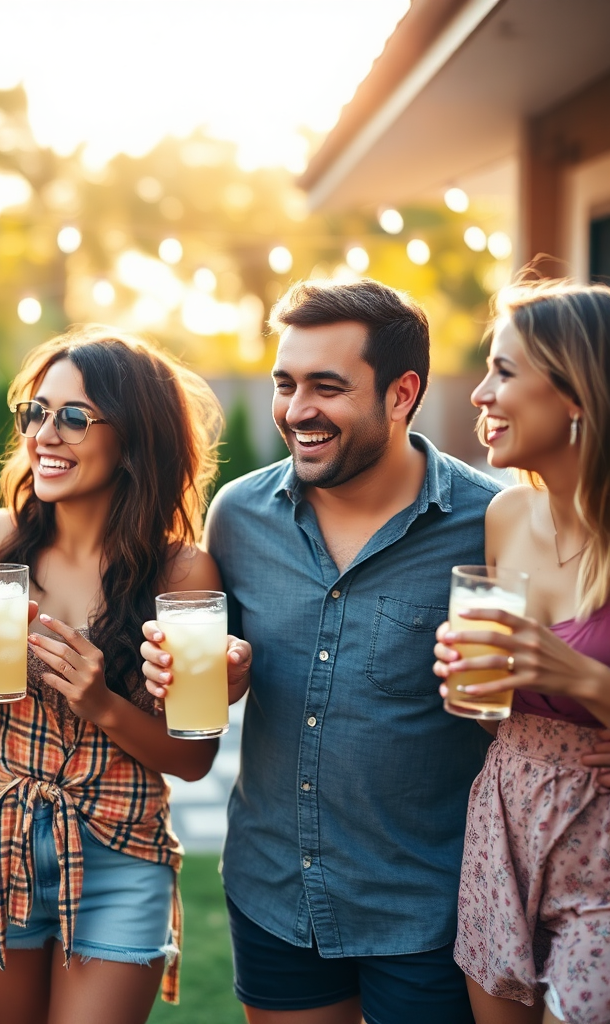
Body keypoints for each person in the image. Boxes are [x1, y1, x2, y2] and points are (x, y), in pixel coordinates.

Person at [144, 278, 502, 1024]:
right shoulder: (238, 514)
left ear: (402, 394)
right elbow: (215, 688)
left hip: (428, 908)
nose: (296, 410)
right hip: (276, 891)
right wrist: (205, 678)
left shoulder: (491, 525)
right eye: (285, 384)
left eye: (326, 387)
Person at [0, 325, 229, 1024]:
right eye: (37, 413)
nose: (44, 435)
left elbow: (195, 758)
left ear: (133, 439)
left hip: (123, 843)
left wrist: (103, 703)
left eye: (73, 417)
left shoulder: (184, 573)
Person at [433, 280, 610, 1024]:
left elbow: (569, 681)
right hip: (503, 826)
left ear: (575, 393)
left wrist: (588, 682)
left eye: (504, 372)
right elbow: (494, 715)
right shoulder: (505, 516)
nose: (480, 394)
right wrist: (470, 690)